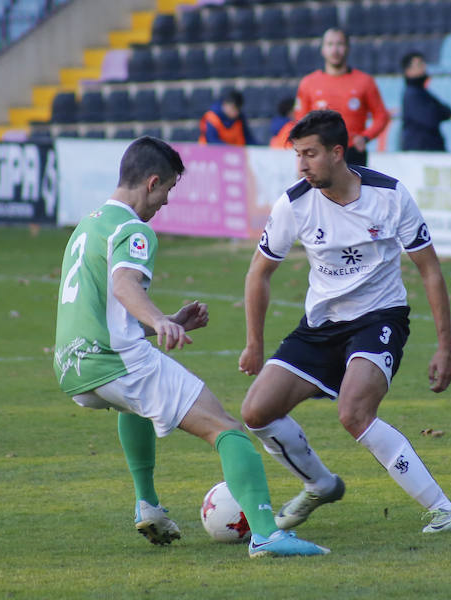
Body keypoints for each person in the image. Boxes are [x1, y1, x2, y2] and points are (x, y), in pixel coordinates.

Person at [53, 136, 328, 558]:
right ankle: (268, 535)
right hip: (116, 362)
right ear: (152, 182)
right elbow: (124, 285)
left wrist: (168, 322)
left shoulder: (87, 227)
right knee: (228, 429)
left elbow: (102, 311)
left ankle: (147, 503)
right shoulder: (134, 231)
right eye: (167, 191)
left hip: (74, 370)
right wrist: (159, 319)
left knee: (136, 404)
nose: (164, 203)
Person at [238, 111, 451, 536]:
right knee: (256, 411)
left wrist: (445, 347)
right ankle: (320, 484)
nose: (302, 165)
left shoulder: (390, 195)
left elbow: (430, 270)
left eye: (310, 154)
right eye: (297, 155)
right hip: (321, 324)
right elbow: (259, 273)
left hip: (379, 318)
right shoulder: (294, 203)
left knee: (354, 412)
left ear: (337, 152)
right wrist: (255, 342)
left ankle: (444, 509)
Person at [294, 28, 389, 166]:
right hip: (320, 151)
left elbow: (382, 116)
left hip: (353, 152)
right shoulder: (308, 83)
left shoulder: (364, 81)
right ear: (322, 49)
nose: (335, 50)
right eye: (330, 44)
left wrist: (366, 137)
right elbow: (300, 120)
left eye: (340, 44)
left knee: (354, 188)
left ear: (348, 48)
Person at [400, 51, 451, 152]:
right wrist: (438, 112)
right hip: (420, 150)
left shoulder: (422, 92)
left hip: (429, 148)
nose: (424, 67)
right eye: (419, 65)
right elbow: (430, 119)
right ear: (408, 71)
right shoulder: (412, 94)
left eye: (423, 63)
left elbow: (448, 111)